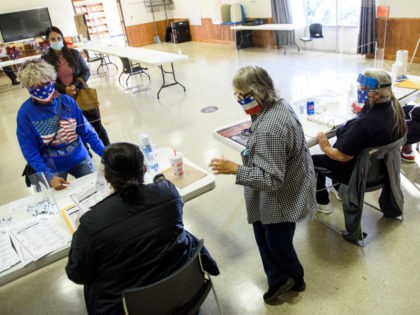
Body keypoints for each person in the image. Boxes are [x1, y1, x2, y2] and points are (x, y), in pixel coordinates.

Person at [66, 142, 219, 315]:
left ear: (107, 177)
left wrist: (80, 232)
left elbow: (78, 274)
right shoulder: (168, 193)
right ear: (144, 169)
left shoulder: (91, 223)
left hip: (130, 308)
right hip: (184, 290)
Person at [209, 66, 316, 304]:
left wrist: (234, 169)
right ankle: (278, 277)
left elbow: (272, 180)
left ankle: (295, 279)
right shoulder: (279, 104)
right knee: (269, 233)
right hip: (291, 181)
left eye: (241, 94)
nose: (238, 99)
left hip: (281, 193)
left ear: (258, 92)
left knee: (276, 242)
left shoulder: (270, 130)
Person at [313, 69, 407, 214]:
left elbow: (342, 156)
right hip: (381, 171)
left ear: (376, 94)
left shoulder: (363, 124)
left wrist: (325, 147)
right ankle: (338, 190)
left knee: (312, 160)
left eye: (362, 89)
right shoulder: (394, 109)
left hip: (357, 174)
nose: (359, 90)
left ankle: (322, 201)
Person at [16, 59, 104, 190]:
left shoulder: (67, 102)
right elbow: (29, 150)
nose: (42, 89)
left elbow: (86, 131)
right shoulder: (25, 114)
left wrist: (105, 154)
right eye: (36, 86)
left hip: (80, 158)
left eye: (45, 84)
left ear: (52, 81)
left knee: (96, 191)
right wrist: (48, 176)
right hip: (51, 168)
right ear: (28, 88)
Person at [42, 26, 110, 146]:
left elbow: (86, 71)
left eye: (59, 38)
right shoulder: (45, 59)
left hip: (82, 95)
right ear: (48, 41)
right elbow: (47, 80)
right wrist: (65, 89)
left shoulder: (74, 54)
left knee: (96, 126)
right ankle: (86, 155)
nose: (56, 41)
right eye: (53, 39)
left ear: (63, 39)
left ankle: (109, 152)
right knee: (75, 129)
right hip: (63, 101)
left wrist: (74, 86)